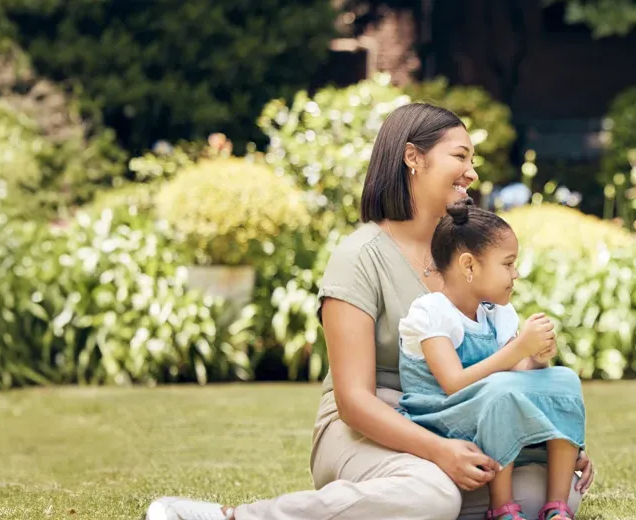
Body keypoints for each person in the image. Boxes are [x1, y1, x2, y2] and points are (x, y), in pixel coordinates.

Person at [145, 103, 592, 520]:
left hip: (460, 417)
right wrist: (439, 452)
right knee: (432, 493)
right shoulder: (360, 256)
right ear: (413, 158)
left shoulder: (467, 254)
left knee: (552, 493)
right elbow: (353, 402)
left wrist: (550, 431)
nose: (472, 173)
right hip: (368, 429)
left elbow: (504, 361)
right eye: (460, 157)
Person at [396, 199, 587, 520]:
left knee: (563, 378)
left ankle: (557, 505)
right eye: (508, 263)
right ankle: (502, 508)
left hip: (489, 410)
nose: (517, 273)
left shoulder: (497, 313)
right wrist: (518, 349)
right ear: (469, 266)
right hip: (440, 418)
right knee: (501, 389)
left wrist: (536, 358)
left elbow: (518, 371)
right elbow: (453, 383)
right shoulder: (430, 312)